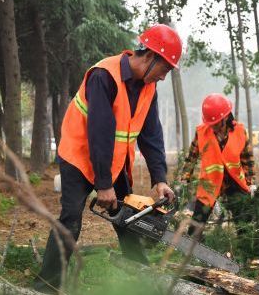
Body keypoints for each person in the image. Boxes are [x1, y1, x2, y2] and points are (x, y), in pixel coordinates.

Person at [34, 24, 181, 293]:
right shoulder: (104, 75)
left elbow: (151, 135)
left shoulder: (148, 88)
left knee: (127, 219)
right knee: (70, 219)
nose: (163, 77)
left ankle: (142, 280)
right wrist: (103, 185)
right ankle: (46, 285)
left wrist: (160, 179)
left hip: (111, 161)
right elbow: (99, 132)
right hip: (78, 157)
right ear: (149, 57)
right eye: (165, 69)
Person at [179, 93, 257, 236]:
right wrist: (184, 177)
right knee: (198, 219)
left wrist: (250, 182)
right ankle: (191, 250)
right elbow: (192, 157)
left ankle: (247, 252)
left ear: (226, 117)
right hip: (210, 182)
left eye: (216, 124)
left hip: (234, 182)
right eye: (211, 124)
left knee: (243, 219)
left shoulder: (239, 131)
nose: (213, 127)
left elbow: (247, 158)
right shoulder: (202, 132)